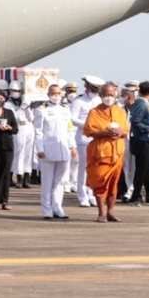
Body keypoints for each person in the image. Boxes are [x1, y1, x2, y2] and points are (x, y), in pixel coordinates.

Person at [84, 81, 129, 222]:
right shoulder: (94, 112)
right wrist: (104, 132)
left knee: (113, 185)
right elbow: (88, 131)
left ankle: (110, 211)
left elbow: (126, 130)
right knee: (100, 184)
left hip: (117, 154)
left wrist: (120, 132)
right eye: (105, 94)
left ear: (115, 95)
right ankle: (101, 212)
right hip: (101, 154)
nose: (108, 97)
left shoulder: (121, 112)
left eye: (111, 94)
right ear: (101, 95)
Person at [33, 83, 75, 220]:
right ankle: (47, 209)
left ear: (61, 94)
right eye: (53, 93)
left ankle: (57, 207)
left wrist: (72, 146)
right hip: (48, 150)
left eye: (58, 93)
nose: (55, 96)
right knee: (47, 182)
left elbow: (70, 130)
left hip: (64, 150)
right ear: (48, 94)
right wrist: (39, 149)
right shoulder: (42, 110)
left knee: (60, 182)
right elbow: (38, 131)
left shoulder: (65, 110)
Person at [69, 76, 103, 207]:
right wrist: (88, 125)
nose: (95, 90)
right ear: (87, 87)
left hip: (97, 138)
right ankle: (82, 196)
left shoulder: (99, 100)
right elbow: (72, 119)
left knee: (95, 169)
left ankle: (91, 194)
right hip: (84, 139)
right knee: (83, 168)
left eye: (97, 88)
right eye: (93, 88)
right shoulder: (79, 101)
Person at [127, 80, 149, 204]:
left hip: (147, 139)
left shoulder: (142, 103)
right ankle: (136, 196)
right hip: (142, 141)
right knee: (142, 170)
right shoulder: (141, 104)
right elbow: (135, 122)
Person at [9, 81, 36, 189]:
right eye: (13, 91)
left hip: (29, 127)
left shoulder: (25, 102)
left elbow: (31, 118)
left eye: (17, 91)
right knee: (19, 153)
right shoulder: (8, 104)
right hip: (19, 128)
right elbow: (14, 117)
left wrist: (27, 107)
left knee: (28, 154)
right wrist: (21, 108)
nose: (15, 92)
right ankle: (19, 177)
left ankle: (27, 177)